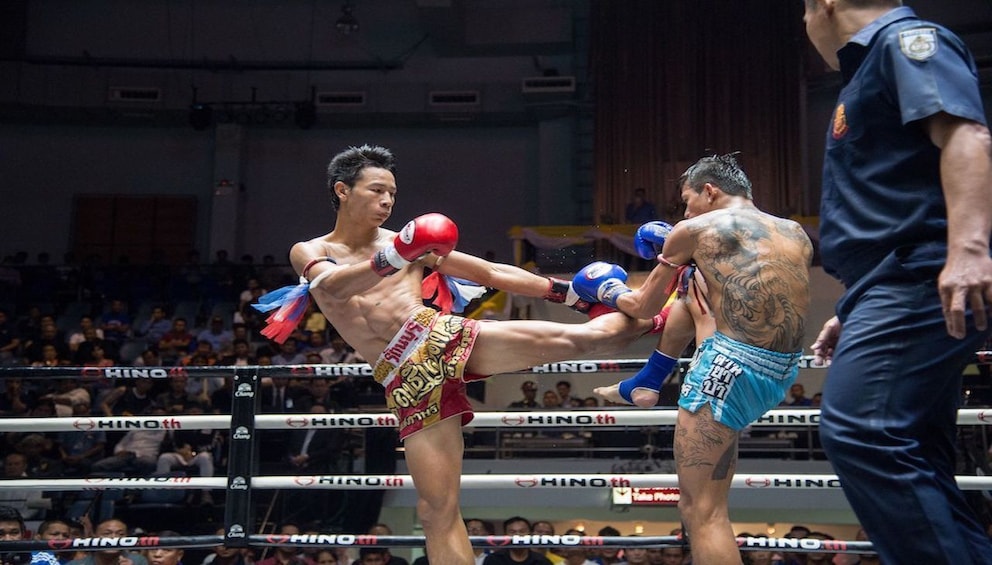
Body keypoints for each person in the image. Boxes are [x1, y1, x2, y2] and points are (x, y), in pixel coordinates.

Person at [256, 144, 659, 565]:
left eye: (392, 193)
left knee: (579, 340)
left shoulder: (402, 243)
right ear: (342, 190)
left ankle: (658, 311)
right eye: (376, 191)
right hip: (401, 376)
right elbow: (332, 286)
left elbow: (490, 273)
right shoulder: (311, 250)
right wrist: (397, 255)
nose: (387, 201)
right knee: (435, 510)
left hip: (435, 336)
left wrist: (567, 294)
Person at [802, 2, 992, 563]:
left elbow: (965, 136)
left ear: (825, 5)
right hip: (895, 280)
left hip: (921, 274)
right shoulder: (867, 71)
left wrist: (969, 249)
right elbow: (895, 203)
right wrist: (853, 304)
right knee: (919, 455)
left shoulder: (905, 42)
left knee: (863, 430)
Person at [572, 154, 812, 565]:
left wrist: (607, 289)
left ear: (710, 191)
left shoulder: (694, 229)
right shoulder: (796, 232)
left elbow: (644, 307)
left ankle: (646, 381)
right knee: (690, 287)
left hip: (726, 372)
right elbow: (736, 292)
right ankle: (649, 379)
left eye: (687, 200)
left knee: (702, 513)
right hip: (781, 371)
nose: (684, 212)